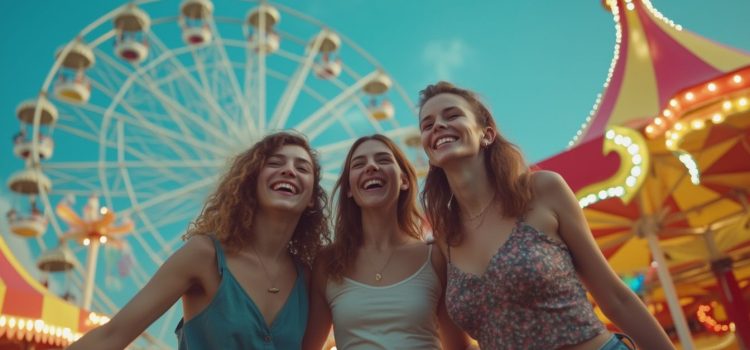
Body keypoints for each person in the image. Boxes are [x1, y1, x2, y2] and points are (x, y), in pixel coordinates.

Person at [417, 82, 674, 350]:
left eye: (452, 115)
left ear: (487, 134)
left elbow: (615, 299)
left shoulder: (542, 191)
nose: (437, 126)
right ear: (428, 151)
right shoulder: (442, 246)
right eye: (427, 124)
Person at [69, 131, 331, 350]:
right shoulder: (205, 256)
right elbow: (113, 334)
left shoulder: (306, 278)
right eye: (275, 163)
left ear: (311, 199)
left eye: (302, 167)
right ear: (252, 182)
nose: (288, 171)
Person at [303, 134, 469, 350]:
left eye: (383, 160)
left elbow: (459, 346)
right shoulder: (327, 263)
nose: (371, 167)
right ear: (350, 189)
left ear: (404, 181)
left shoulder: (435, 256)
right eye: (359, 163)